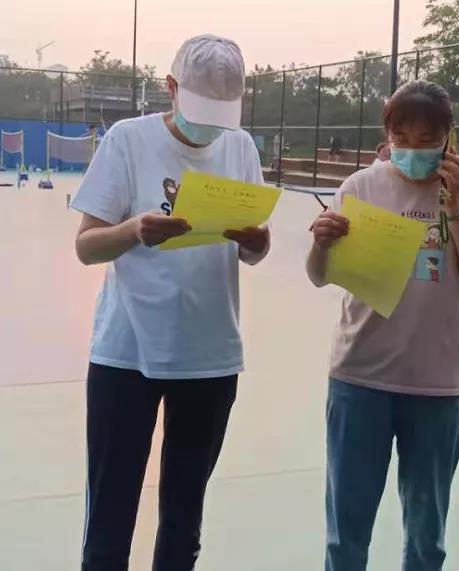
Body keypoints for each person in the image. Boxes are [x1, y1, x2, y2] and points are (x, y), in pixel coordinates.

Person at [71, 34, 270, 571]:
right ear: (171, 87)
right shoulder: (127, 141)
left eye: (222, 114)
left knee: (184, 522)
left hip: (209, 356)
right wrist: (134, 230)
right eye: (201, 110)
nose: (211, 127)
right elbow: (86, 246)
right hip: (126, 354)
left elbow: (254, 253)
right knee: (109, 521)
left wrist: (256, 242)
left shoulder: (240, 147)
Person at [306, 80, 459, 571]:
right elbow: (319, 275)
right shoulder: (361, 186)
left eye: (426, 139)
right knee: (346, 531)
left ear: (449, 137)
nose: (413, 150)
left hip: (437, 384)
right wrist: (321, 244)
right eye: (402, 138)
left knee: (426, 535)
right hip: (360, 377)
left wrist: (455, 210)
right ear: (388, 135)